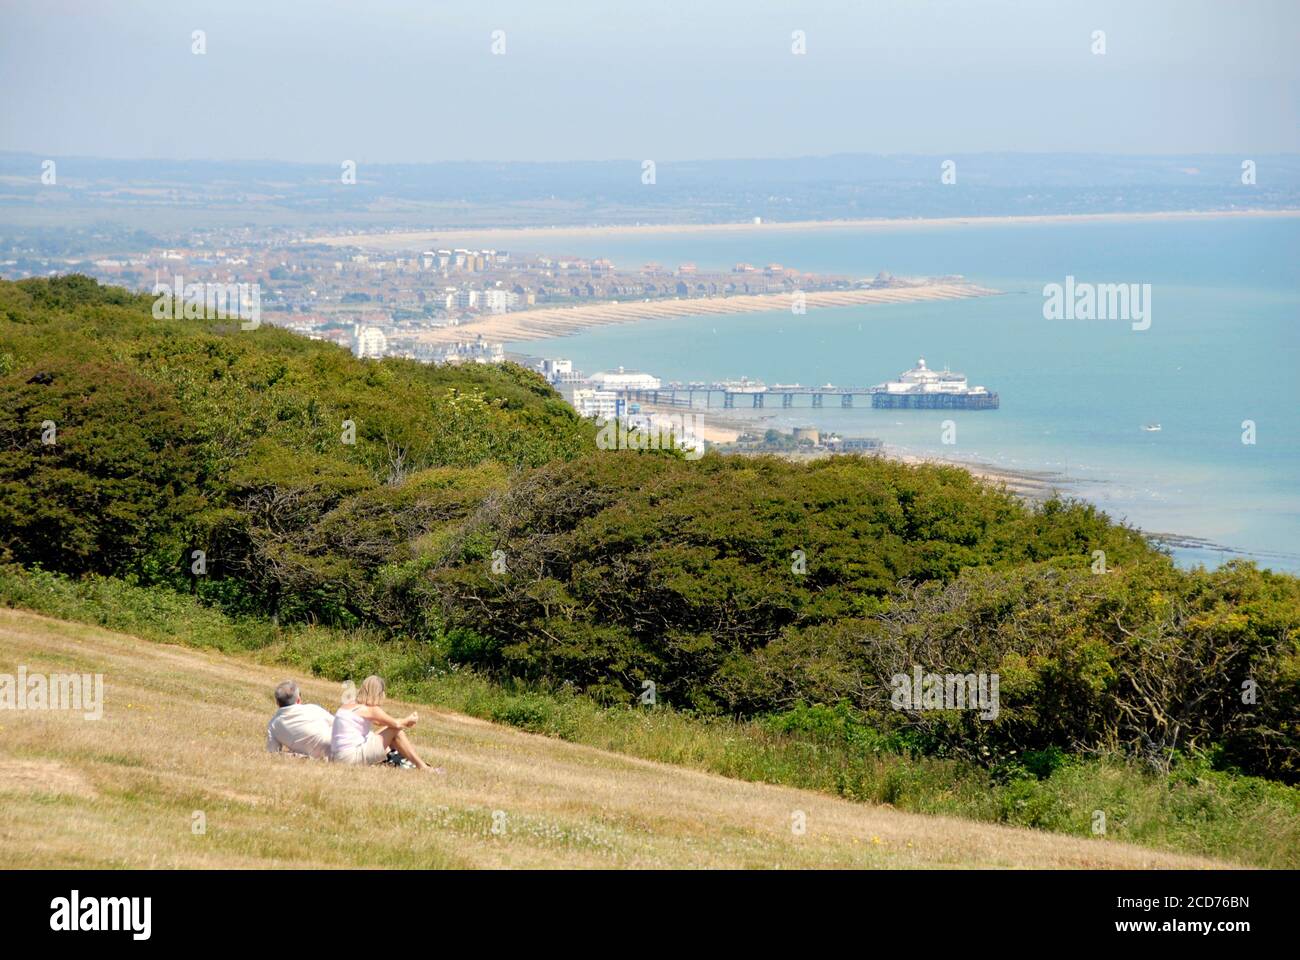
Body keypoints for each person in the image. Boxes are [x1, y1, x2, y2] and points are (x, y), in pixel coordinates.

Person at [331, 675, 430, 770]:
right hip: (351, 758)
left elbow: (382, 723)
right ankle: (422, 766)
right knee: (395, 731)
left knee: (386, 730)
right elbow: (396, 724)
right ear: (379, 693)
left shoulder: (350, 705)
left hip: (338, 757)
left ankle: (392, 758)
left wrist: (403, 721)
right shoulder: (372, 710)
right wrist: (409, 719)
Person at [265, 680, 335, 760]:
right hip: (340, 745)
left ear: (277, 703)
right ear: (298, 700)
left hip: (319, 756)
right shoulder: (312, 708)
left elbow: (273, 752)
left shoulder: (273, 725)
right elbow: (337, 724)